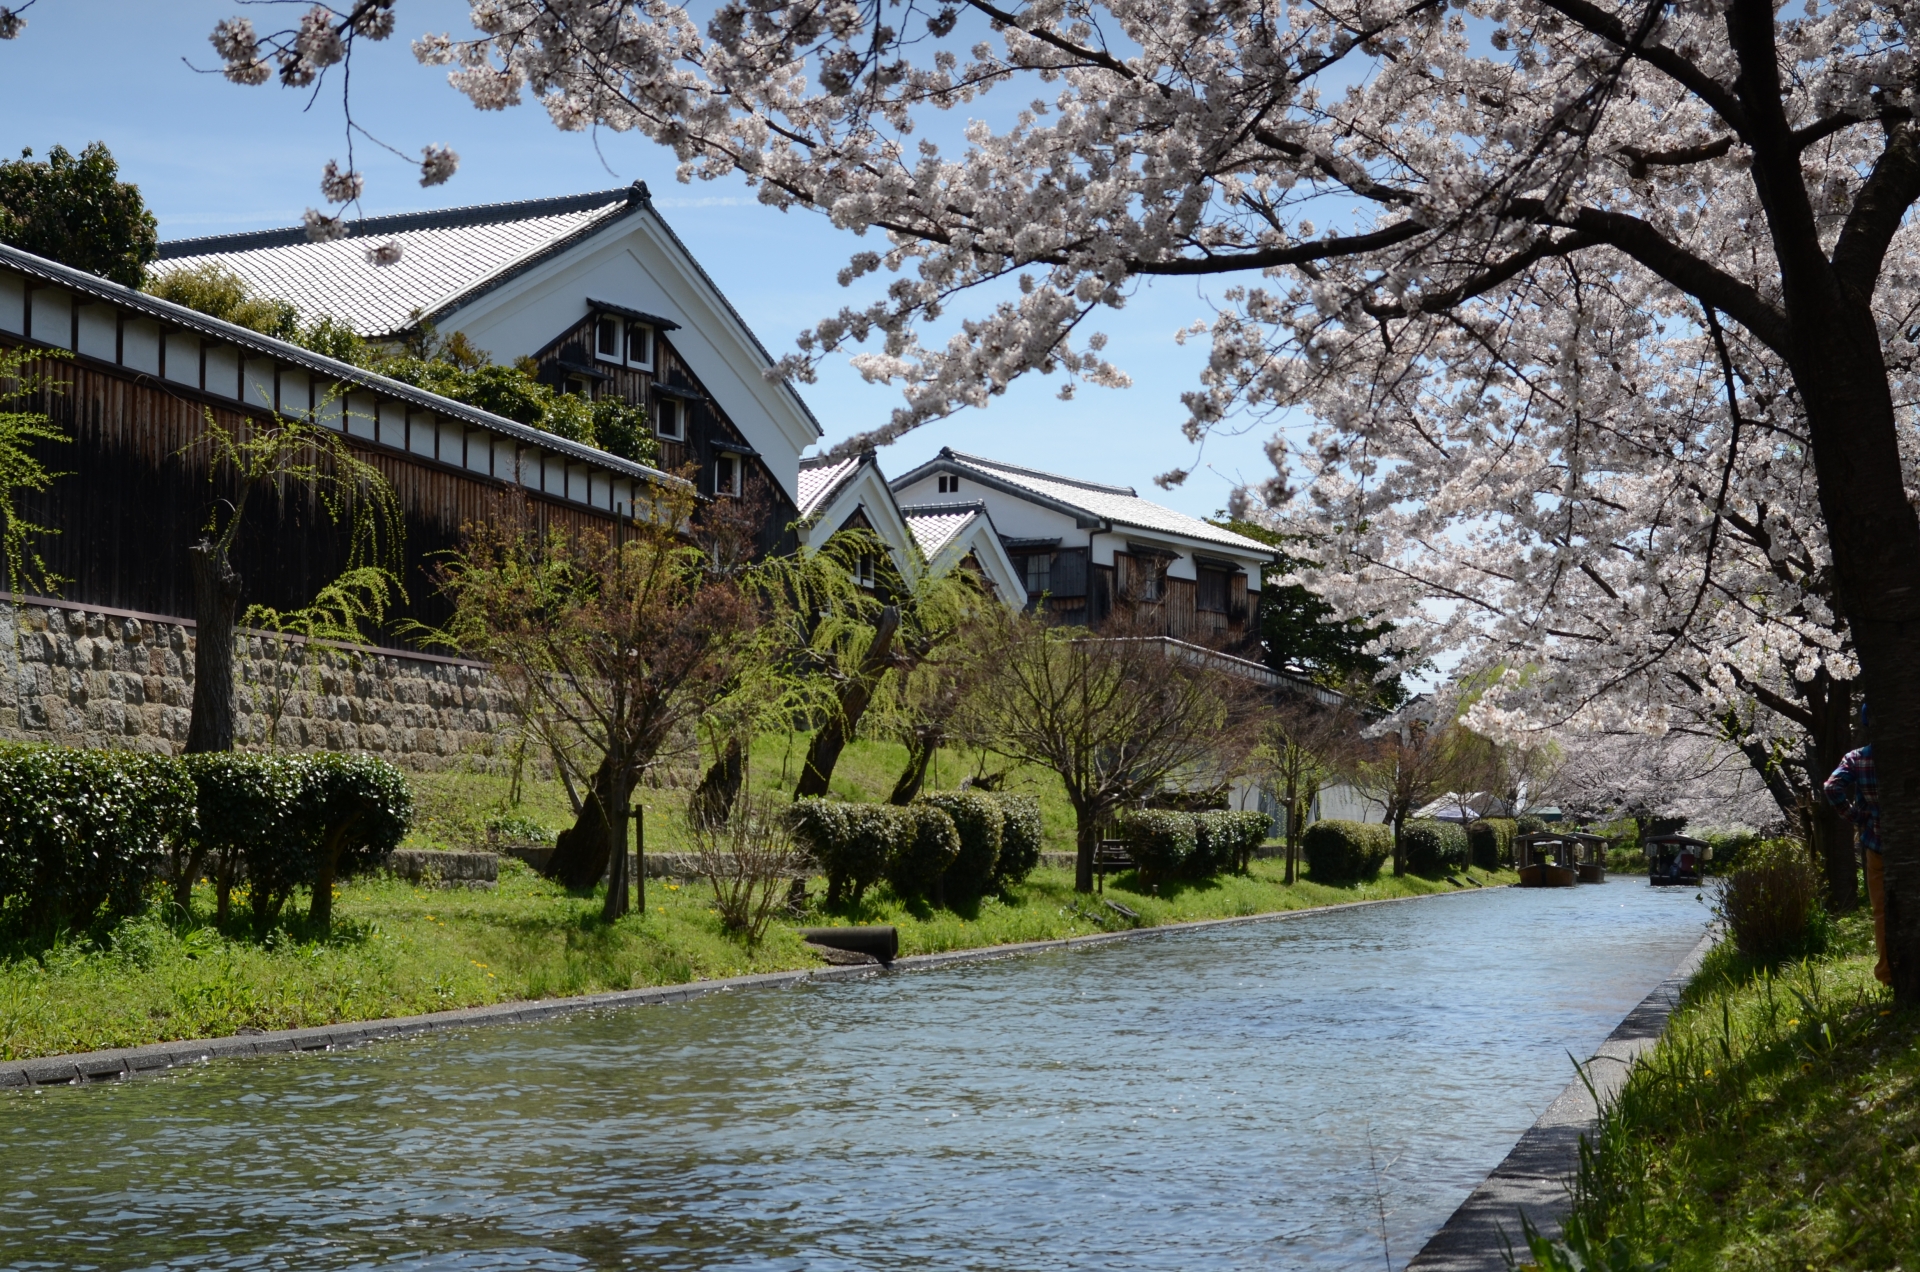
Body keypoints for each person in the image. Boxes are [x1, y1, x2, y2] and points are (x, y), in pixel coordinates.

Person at [1825, 703, 1890, 986]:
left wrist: (1856, 816)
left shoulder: (1858, 758)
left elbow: (1832, 787)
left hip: (1877, 844)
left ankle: (1888, 973)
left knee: (1882, 912)